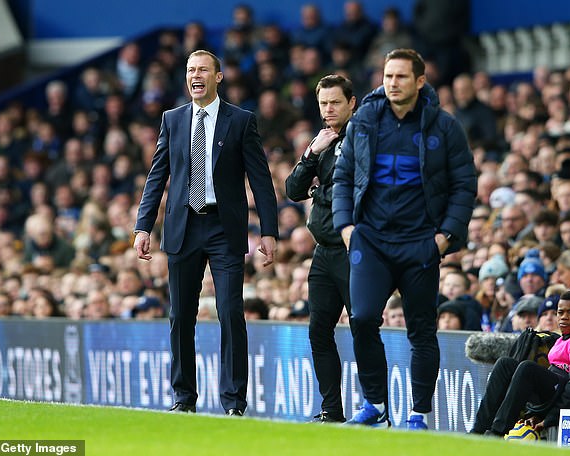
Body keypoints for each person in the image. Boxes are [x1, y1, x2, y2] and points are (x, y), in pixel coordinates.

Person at [332, 48, 476, 428]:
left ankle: (418, 413)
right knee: (362, 318)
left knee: (422, 330)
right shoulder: (364, 118)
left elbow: (465, 185)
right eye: (387, 76)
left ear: (420, 81)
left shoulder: (444, 126)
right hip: (371, 242)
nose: (392, 83)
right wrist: (346, 227)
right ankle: (375, 405)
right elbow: (343, 175)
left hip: (420, 244)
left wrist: (445, 237)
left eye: (400, 77)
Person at [133, 50, 278, 416]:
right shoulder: (173, 119)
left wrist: (269, 230)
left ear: (218, 77)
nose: (195, 75)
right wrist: (143, 225)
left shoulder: (241, 121)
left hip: (224, 229)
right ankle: (183, 398)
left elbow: (260, 179)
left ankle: (233, 402)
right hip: (183, 227)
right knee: (180, 315)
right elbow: (157, 176)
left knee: (231, 312)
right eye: (190, 70)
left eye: (202, 70)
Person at [285, 74, 356, 423]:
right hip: (324, 252)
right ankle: (332, 409)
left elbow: (352, 191)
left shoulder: (361, 139)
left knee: (364, 328)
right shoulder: (323, 142)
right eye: (323, 103)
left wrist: (321, 193)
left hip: (353, 251)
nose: (328, 109)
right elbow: (293, 190)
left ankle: (377, 405)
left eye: (335, 102)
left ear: (351, 103)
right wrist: (311, 153)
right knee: (318, 330)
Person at [470, 291, 570, 437]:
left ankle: (496, 433)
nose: (564, 317)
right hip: (557, 391)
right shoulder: (566, 337)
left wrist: (549, 417)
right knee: (505, 364)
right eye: (560, 312)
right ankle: (478, 430)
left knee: (527, 368)